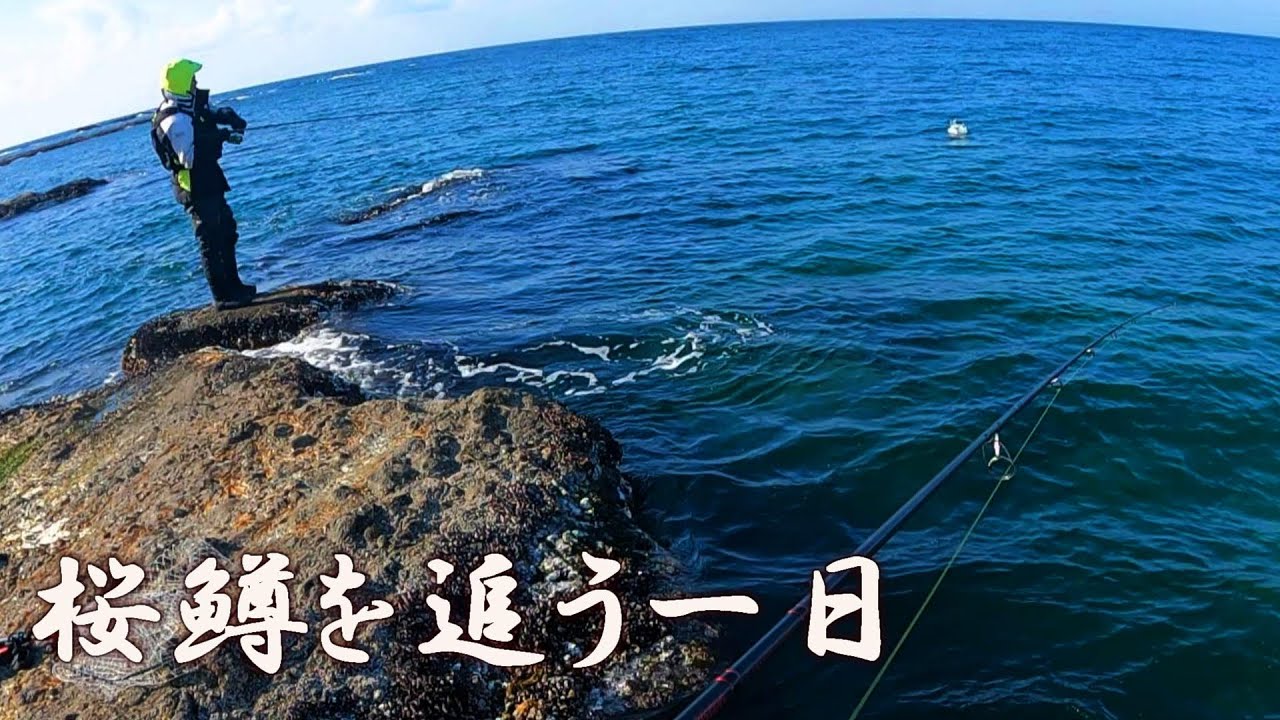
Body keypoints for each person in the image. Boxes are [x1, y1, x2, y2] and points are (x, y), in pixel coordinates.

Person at [150, 58, 256, 310]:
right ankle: (222, 297)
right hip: (194, 185)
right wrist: (222, 136)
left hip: (209, 178)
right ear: (182, 85)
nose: (196, 83)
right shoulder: (174, 120)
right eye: (192, 80)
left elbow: (207, 113)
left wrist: (226, 116)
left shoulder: (186, 108)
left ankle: (235, 286)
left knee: (227, 230)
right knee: (210, 239)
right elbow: (189, 157)